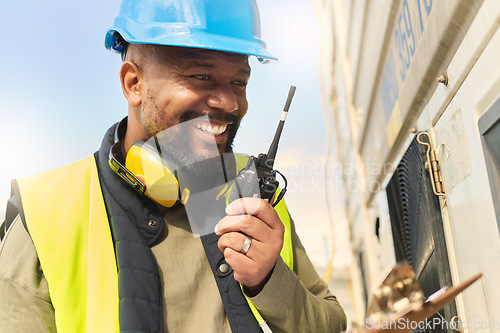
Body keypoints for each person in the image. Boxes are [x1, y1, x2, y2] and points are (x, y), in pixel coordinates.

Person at [0, 0, 347, 332]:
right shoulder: (46, 213)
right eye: (200, 76)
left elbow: (329, 324)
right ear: (134, 84)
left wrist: (268, 280)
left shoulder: (250, 187)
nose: (228, 101)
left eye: (239, 82)